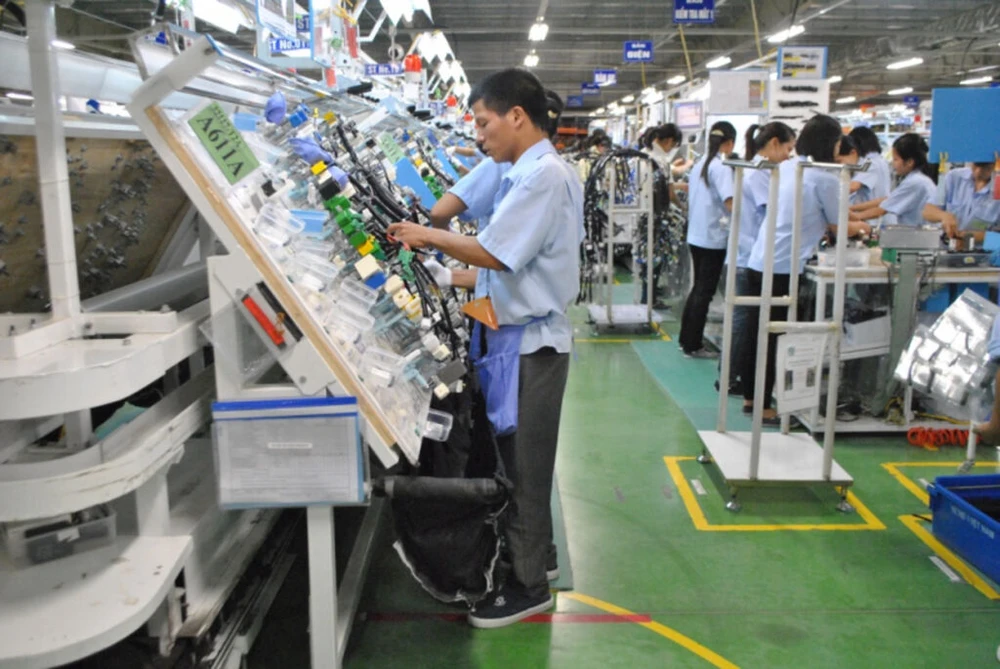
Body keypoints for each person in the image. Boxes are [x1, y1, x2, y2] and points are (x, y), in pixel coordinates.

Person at [387, 68, 583, 629]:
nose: (478, 134)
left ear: (516, 116)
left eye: (482, 121)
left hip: (532, 347)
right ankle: (533, 557)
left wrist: (426, 235)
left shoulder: (541, 175)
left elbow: (497, 255)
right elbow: (515, 268)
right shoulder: (526, 171)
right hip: (514, 335)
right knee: (520, 461)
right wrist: (444, 276)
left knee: (524, 469)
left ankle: (526, 588)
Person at [741, 115, 871, 422]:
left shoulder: (790, 167)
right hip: (783, 265)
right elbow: (840, 224)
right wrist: (865, 227)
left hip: (761, 259)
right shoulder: (824, 176)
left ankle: (752, 398)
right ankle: (764, 406)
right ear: (832, 141)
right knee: (775, 337)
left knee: (757, 335)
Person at [720, 122, 796, 396]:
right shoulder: (760, 174)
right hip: (748, 255)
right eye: (788, 148)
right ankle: (733, 377)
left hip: (747, 253)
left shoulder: (760, 170)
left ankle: (734, 377)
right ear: (773, 143)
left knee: (745, 322)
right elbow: (773, 213)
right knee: (746, 323)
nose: (789, 155)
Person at [428, 89, 565, 231]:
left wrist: (444, 241)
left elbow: (440, 212)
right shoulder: (557, 169)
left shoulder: (503, 162)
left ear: (517, 118)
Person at [679, 121, 736, 358]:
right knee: (705, 291)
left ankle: (687, 339)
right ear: (730, 142)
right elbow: (730, 202)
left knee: (698, 289)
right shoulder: (720, 167)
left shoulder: (700, 163)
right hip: (713, 238)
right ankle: (693, 344)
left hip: (697, 235)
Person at [852, 133, 936, 227]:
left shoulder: (915, 182)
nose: (893, 163)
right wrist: (852, 209)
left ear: (909, 162)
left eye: (896, 159)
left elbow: (882, 209)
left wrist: (855, 216)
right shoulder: (918, 179)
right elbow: (888, 199)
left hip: (918, 235)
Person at [923, 162, 1000, 242]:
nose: (978, 171)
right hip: (947, 247)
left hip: (983, 251)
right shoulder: (952, 177)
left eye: (985, 167)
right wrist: (944, 216)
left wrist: (970, 237)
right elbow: (928, 210)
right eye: (975, 165)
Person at [848, 126, 892, 201]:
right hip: (879, 207)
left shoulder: (869, 163)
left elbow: (853, 187)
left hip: (870, 209)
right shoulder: (881, 160)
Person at [836, 134, 874, 206]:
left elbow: (852, 187)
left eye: (839, 161)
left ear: (853, 153)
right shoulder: (850, 169)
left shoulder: (868, 165)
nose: (839, 165)